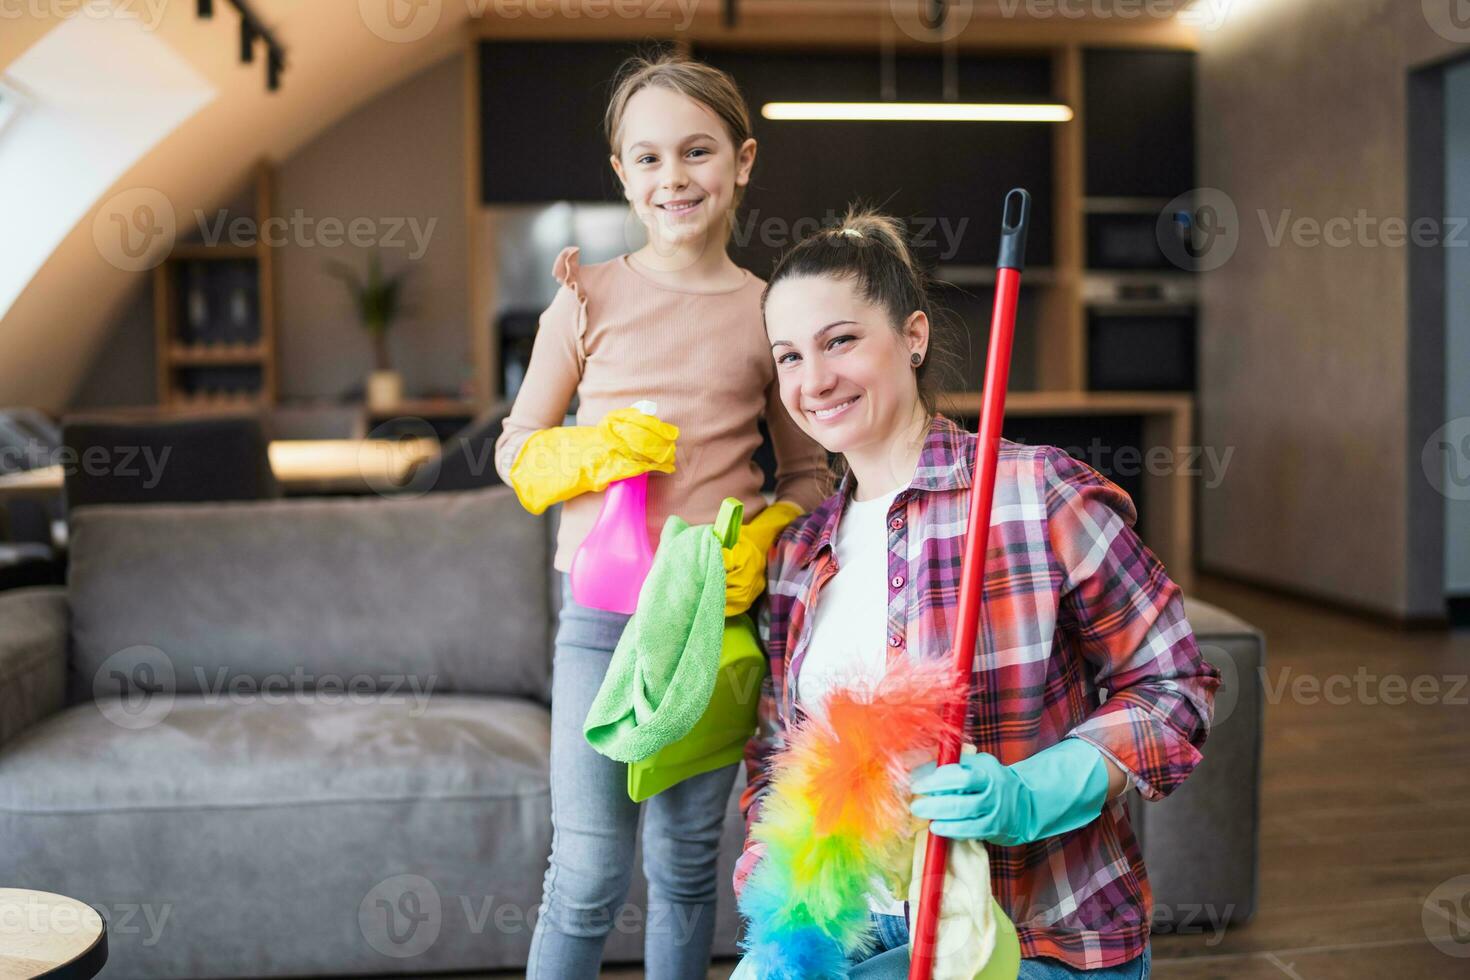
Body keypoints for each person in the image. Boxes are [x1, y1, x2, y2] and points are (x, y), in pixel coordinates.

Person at [731, 207, 1221, 978]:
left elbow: (1175, 687)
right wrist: (772, 857)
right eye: (788, 356)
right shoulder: (798, 554)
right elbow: (777, 753)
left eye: (841, 341)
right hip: (869, 931)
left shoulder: (1036, 494)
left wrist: (1034, 793)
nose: (813, 380)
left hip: (1035, 934)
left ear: (914, 336)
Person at [492, 53, 832, 979]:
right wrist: (587, 452)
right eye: (647, 159)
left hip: (712, 627)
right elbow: (514, 449)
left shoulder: (771, 312)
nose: (673, 178)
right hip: (601, 627)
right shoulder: (584, 298)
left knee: (686, 871)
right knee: (588, 875)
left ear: (743, 160)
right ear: (620, 174)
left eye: (696, 152)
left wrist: (764, 541)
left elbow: (809, 478)